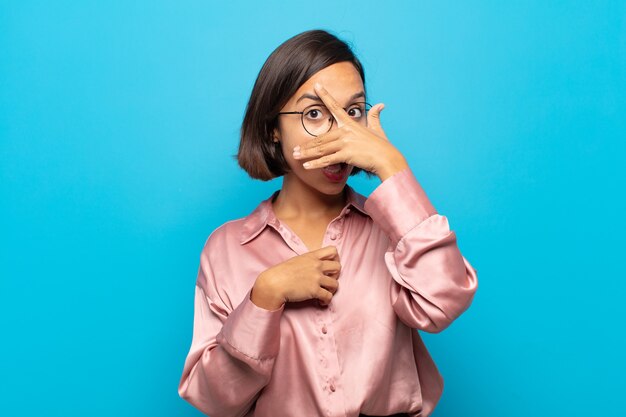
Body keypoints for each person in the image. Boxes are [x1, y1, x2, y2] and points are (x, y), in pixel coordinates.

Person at [178, 29, 478, 417]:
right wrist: (264, 297)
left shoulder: (392, 230)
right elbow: (214, 399)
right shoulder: (227, 249)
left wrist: (392, 167)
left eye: (352, 112)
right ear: (273, 127)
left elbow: (443, 302)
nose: (339, 133)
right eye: (314, 114)